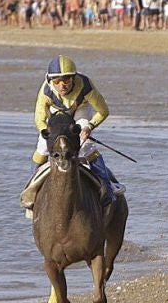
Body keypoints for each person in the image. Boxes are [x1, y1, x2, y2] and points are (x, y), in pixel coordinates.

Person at [29, 55, 124, 207]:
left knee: (85, 146)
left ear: (74, 78)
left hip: (79, 110)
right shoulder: (46, 90)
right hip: (56, 115)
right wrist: (45, 132)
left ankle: (107, 187)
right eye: (57, 82)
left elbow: (103, 111)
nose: (62, 86)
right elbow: (39, 118)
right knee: (41, 147)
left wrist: (89, 127)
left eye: (66, 80)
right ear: (50, 81)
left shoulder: (86, 86)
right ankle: (31, 188)